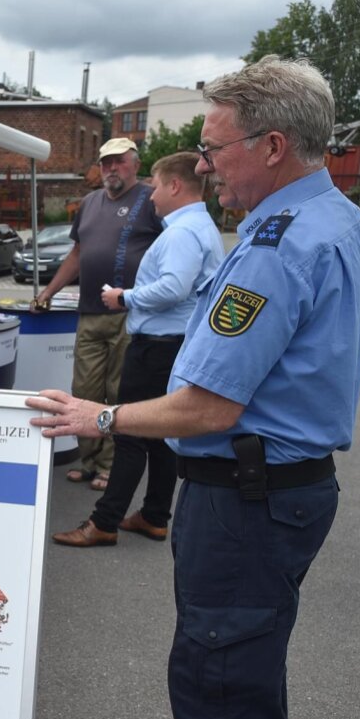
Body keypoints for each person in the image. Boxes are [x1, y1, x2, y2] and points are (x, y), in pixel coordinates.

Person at [26, 57, 360, 719]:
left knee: (216, 672)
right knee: (246, 665)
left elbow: (206, 405)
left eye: (214, 148)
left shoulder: (274, 247)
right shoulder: (345, 222)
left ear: (272, 145)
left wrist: (101, 415)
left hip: (244, 497)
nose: (202, 164)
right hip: (286, 489)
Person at [53, 152, 223, 547]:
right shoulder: (199, 227)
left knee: (126, 428)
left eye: (158, 186)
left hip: (157, 346)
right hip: (173, 343)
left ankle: (104, 522)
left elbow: (173, 287)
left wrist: (124, 297)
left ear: (176, 186)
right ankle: (153, 515)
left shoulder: (181, 232)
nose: (152, 195)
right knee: (161, 433)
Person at [30, 137, 163, 492]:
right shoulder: (89, 202)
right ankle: (90, 461)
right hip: (89, 311)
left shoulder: (151, 200)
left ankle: (111, 465)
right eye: (106, 163)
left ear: (135, 164)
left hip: (130, 313)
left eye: (118, 162)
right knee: (84, 388)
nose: (111, 169)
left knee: (117, 390)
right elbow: (77, 254)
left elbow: (169, 248)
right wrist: (47, 292)